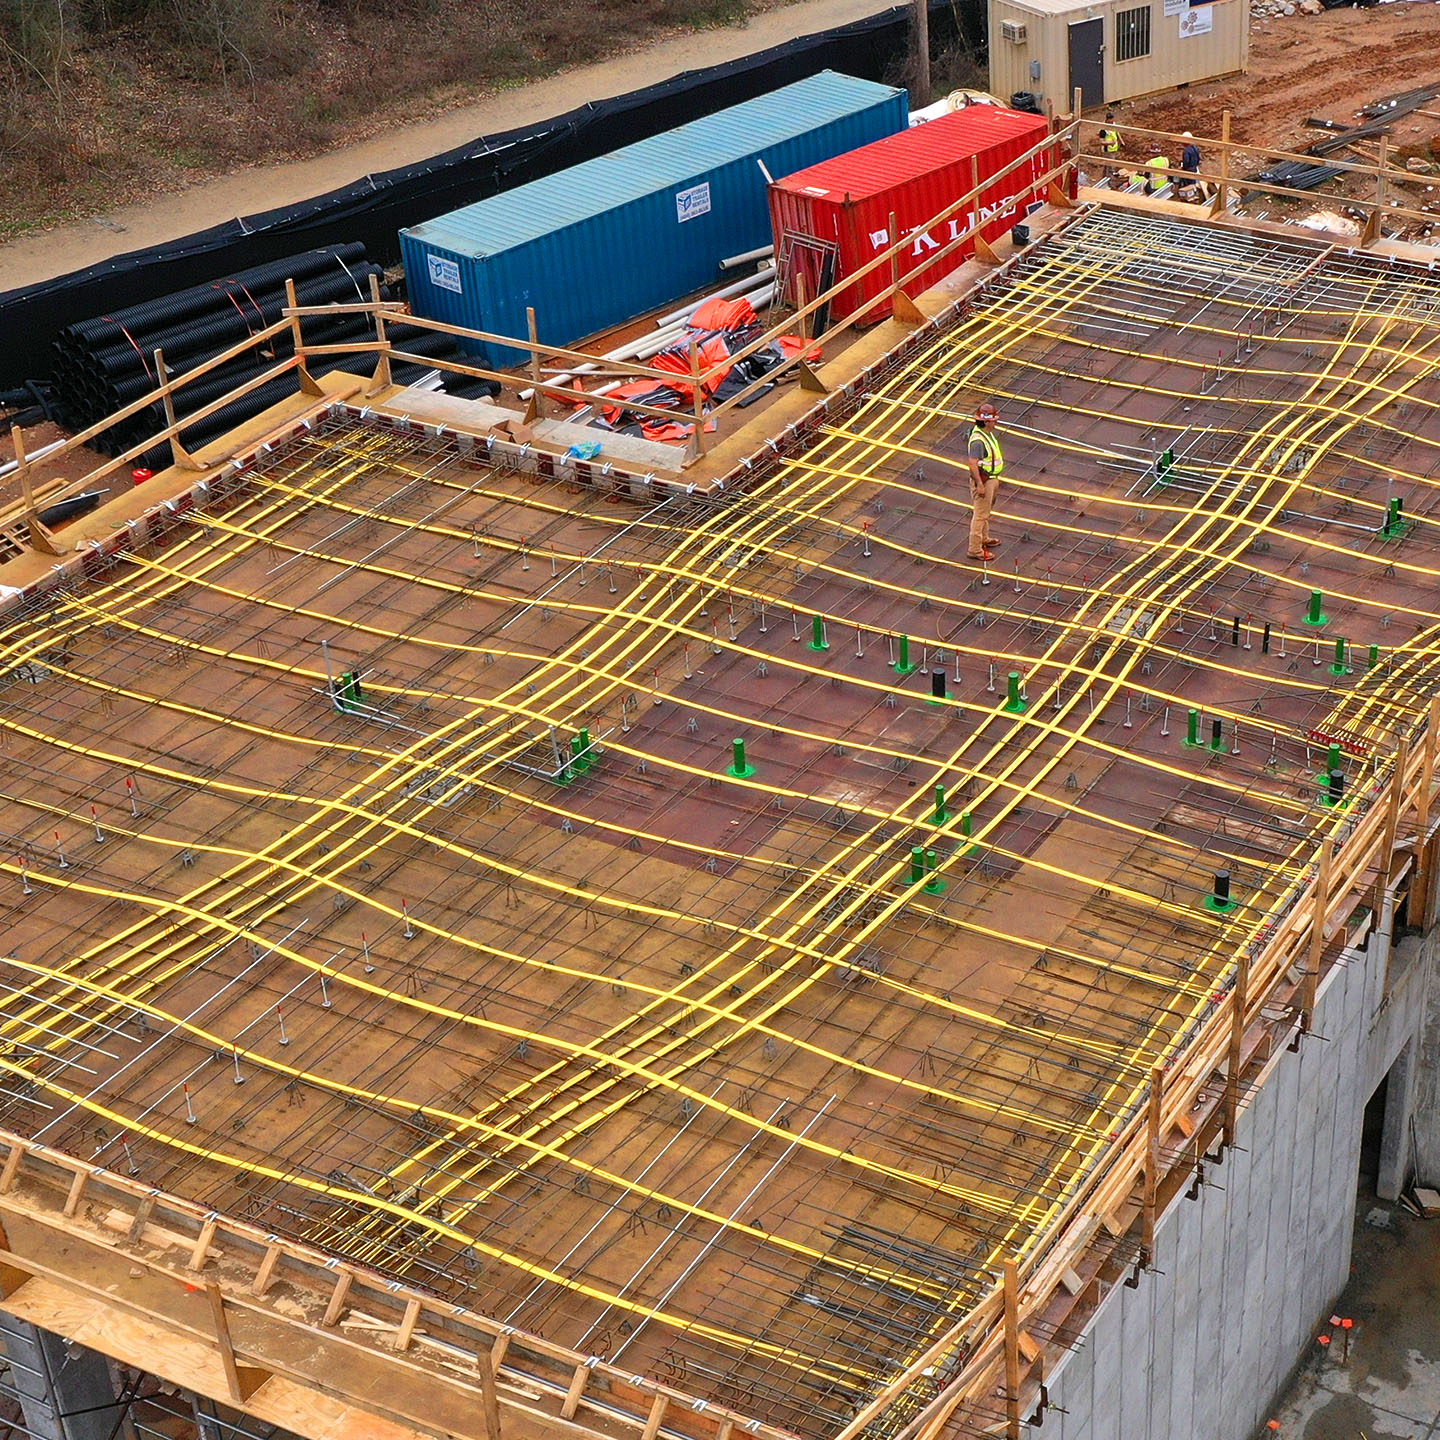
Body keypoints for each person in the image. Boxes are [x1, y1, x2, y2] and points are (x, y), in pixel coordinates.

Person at [966, 401, 1004, 561]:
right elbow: (972, 463)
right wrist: (980, 485)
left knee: (984, 512)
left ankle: (983, 539)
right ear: (986, 421)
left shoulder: (986, 434)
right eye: (994, 419)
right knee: (980, 514)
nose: (996, 422)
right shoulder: (978, 441)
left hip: (991, 478)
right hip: (984, 480)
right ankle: (974, 550)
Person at [1179, 132, 1205, 200]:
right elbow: (1199, 158)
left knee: (1188, 185)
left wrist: (1183, 167)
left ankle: (1188, 197)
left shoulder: (1186, 151)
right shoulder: (1195, 148)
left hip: (1188, 169)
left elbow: (1186, 161)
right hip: (1194, 168)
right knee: (1193, 183)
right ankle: (1194, 194)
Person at [1098, 112, 1122, 183]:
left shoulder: (1113, 125)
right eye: (1110, 121)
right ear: (1107, 120)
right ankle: (1110, 181)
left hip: (1113, 149)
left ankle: (1104, 178)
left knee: (1107, 165)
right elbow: (1101, 142)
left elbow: (1117, 133)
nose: (1112, 122)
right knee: (1110, 166)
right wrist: (1110, 143)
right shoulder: (1103, 130)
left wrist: (1121, 141)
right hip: (1107, 151)